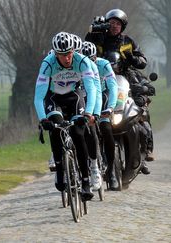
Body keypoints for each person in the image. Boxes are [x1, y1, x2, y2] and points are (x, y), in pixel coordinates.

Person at [86, 9, 155, 166]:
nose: (114, 26)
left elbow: (143, 61)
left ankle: (147, 148)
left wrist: (132, 59)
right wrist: (92, 31)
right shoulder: (98, 39)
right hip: (101, 77)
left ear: (122, 26)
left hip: (126, 75)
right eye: (111, 23)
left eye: (118, 23)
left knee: (141, 104)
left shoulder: (128, 41)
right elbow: (86, 49)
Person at [34, 32, 97, 201]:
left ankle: (85, 181)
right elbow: (38, 96)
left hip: (74, 97)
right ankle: (60, 170)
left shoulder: (82, 61)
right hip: (54, 98)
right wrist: (43, 119)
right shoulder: (48, 64)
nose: (67, 58)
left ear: (73, 52)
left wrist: (89, 113)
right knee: (55, 128)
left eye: (69, 54)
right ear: (55, 54)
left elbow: (91, 90)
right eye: (62, 55)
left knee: (78, 133)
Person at [82, 41, 120, 189]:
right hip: (85, 97)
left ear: (96, 57)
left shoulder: (104, 64)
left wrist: (110, 108)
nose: (89, 63)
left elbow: (113, 87)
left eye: (92, 60)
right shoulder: (78, 64)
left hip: (102, 97)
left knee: (106, 129)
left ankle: (111, 171)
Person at [72, 34, 103, 191]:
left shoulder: (89, 65)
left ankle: (94, 165)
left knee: (89, 130)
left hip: (88, 100)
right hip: (73, 100)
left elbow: (95, 91)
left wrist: (93, 113)